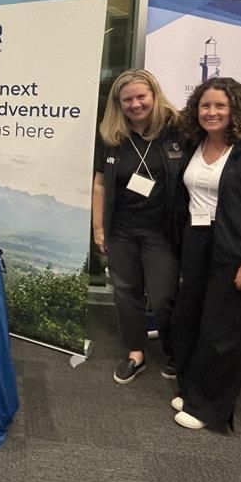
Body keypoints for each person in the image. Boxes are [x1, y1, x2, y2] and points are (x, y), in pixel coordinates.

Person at [172, 77, 241, 431]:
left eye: (220, 105)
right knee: (193, 320)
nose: (212, 112)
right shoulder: (196, 143)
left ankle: (210, 408)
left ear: (235, 108)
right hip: (198, 243)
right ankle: (193, 391)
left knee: (225, 330)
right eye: (205, 105)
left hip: (238, 250)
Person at [92, 69, 182, 384]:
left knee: (162, 296)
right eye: (127, 99)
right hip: (122, 229)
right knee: (125, 293)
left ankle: (175, 352)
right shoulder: (111, 136)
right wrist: (98, 228)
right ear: (118, 103)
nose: (135, 104)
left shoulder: (177, 131)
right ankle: (135, 352)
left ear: (154, 96)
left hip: (161, 231)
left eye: (141, 96)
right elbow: (100, 183)